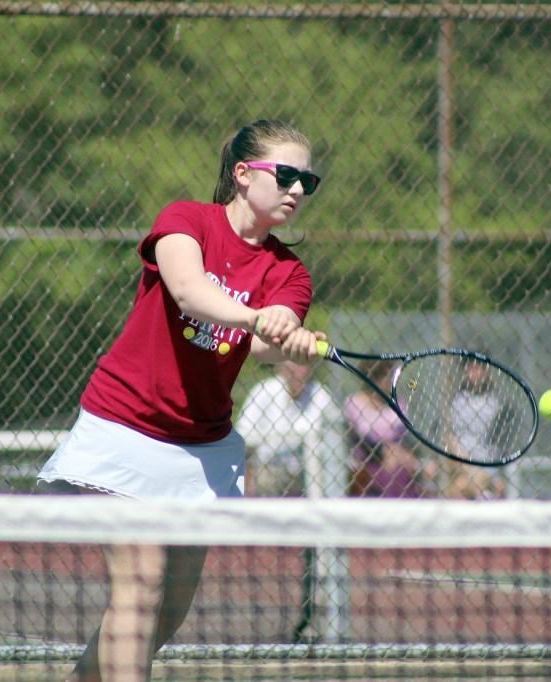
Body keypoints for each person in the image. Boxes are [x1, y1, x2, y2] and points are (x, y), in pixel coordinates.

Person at [37, 119, 325, 682]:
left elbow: (266, 344)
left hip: (202, 448)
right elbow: (190, 293)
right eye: (286, 175)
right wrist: (256, 318)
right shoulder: (185, 221)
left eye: (307, 181)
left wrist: (288, 339)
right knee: (139, 585)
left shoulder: (291, 273)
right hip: (124, 426)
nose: (297, 189)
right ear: (243, 174)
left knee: (165, 612)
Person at [235, 361, 342, 497]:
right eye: (294, 368)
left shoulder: (321, 395)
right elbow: (243, 436)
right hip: (269, 466)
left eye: (304, 366)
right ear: (282, 370)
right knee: (266, 479)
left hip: (307, 470)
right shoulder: (265, 391)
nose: (300, 373)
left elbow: (332, 441)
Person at [343, 361, 429, 498]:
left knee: (397, 457)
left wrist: (393, 448)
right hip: (369, 457)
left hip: (399, 454)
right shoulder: (355, 402)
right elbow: (359, 437)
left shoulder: (396, 402)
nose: (389, 380)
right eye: (383, 376)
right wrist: (384, 449)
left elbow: (406, 435)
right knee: (392, 456)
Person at [447, 357, 503, 499]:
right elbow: (445, 433)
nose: (474, 373)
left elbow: (500, 442)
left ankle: (481, 494)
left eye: (478, 368)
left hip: (485, 462)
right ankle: (482, 496)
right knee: (459, 485)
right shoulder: (457, 399)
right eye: (470, 369)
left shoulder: (495, 401)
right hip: (458, 459)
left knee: (460, 486)